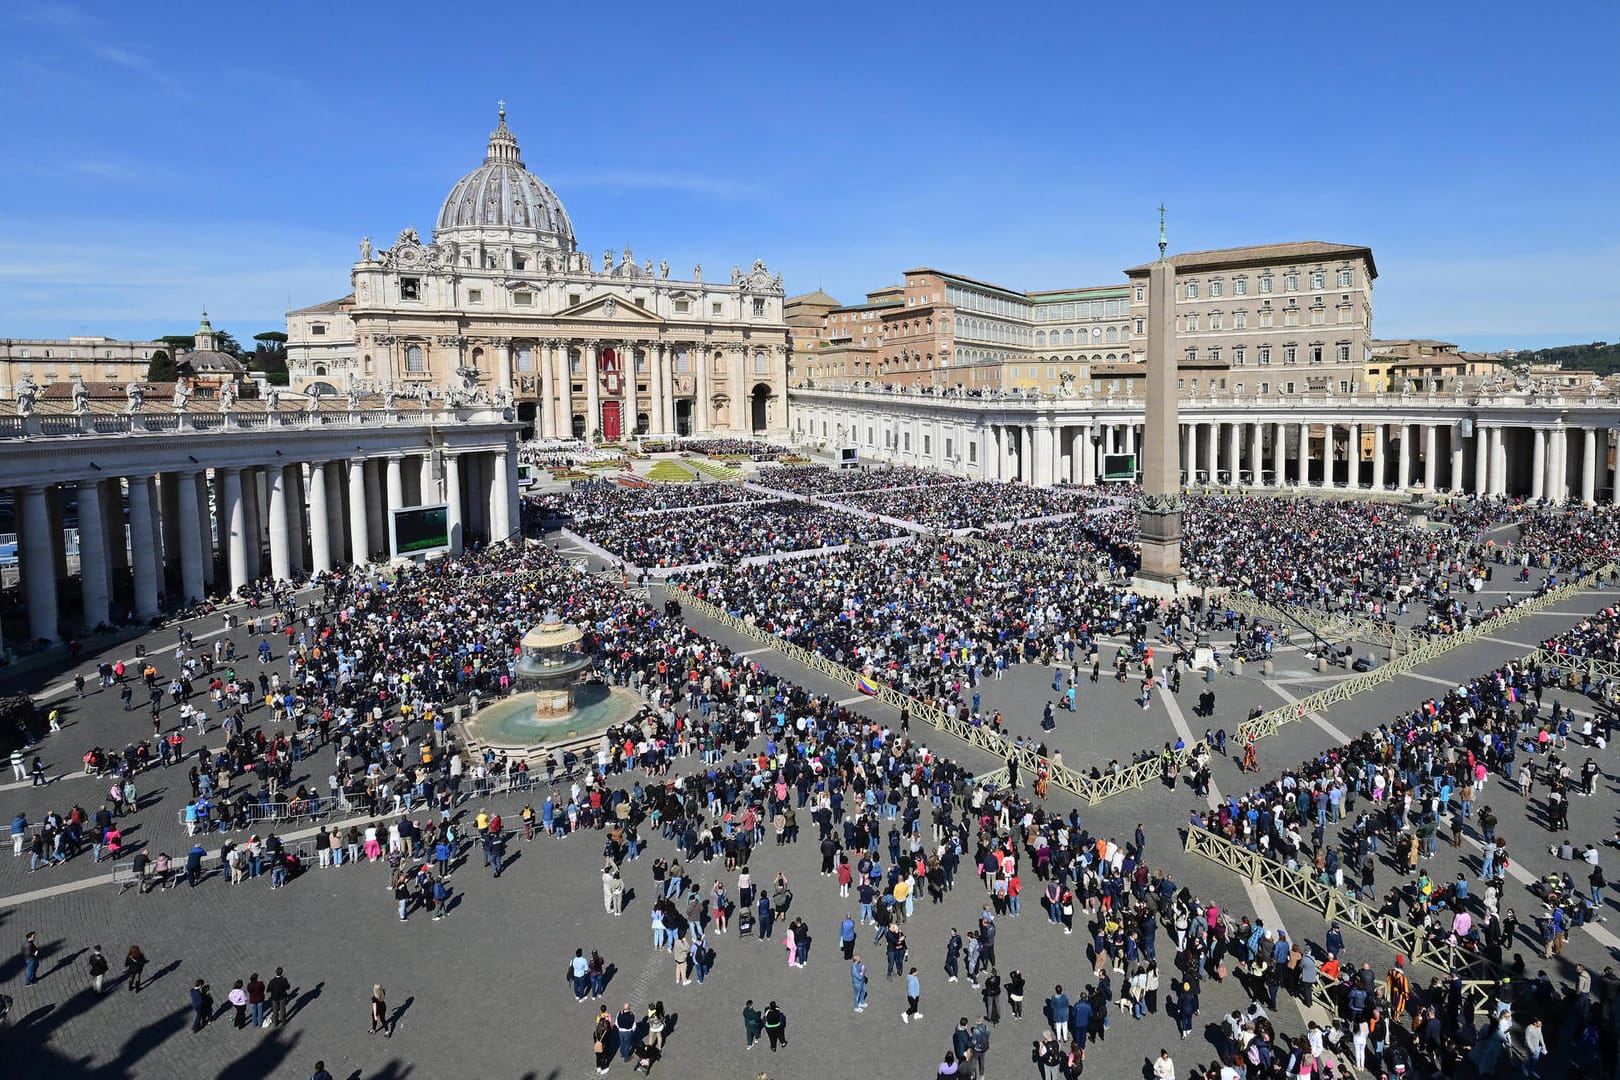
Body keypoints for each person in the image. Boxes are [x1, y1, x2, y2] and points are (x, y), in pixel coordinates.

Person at [593, 1006, 615, 1073]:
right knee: (604, 1056)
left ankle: (598, 1067)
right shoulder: (608, 1016)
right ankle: (603, 1067)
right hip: (604, 1044)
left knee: (598, 1056)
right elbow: (610, 1024)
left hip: (597, 1045)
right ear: (606, 1009)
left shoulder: (599, 1016)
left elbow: (597, 1024)